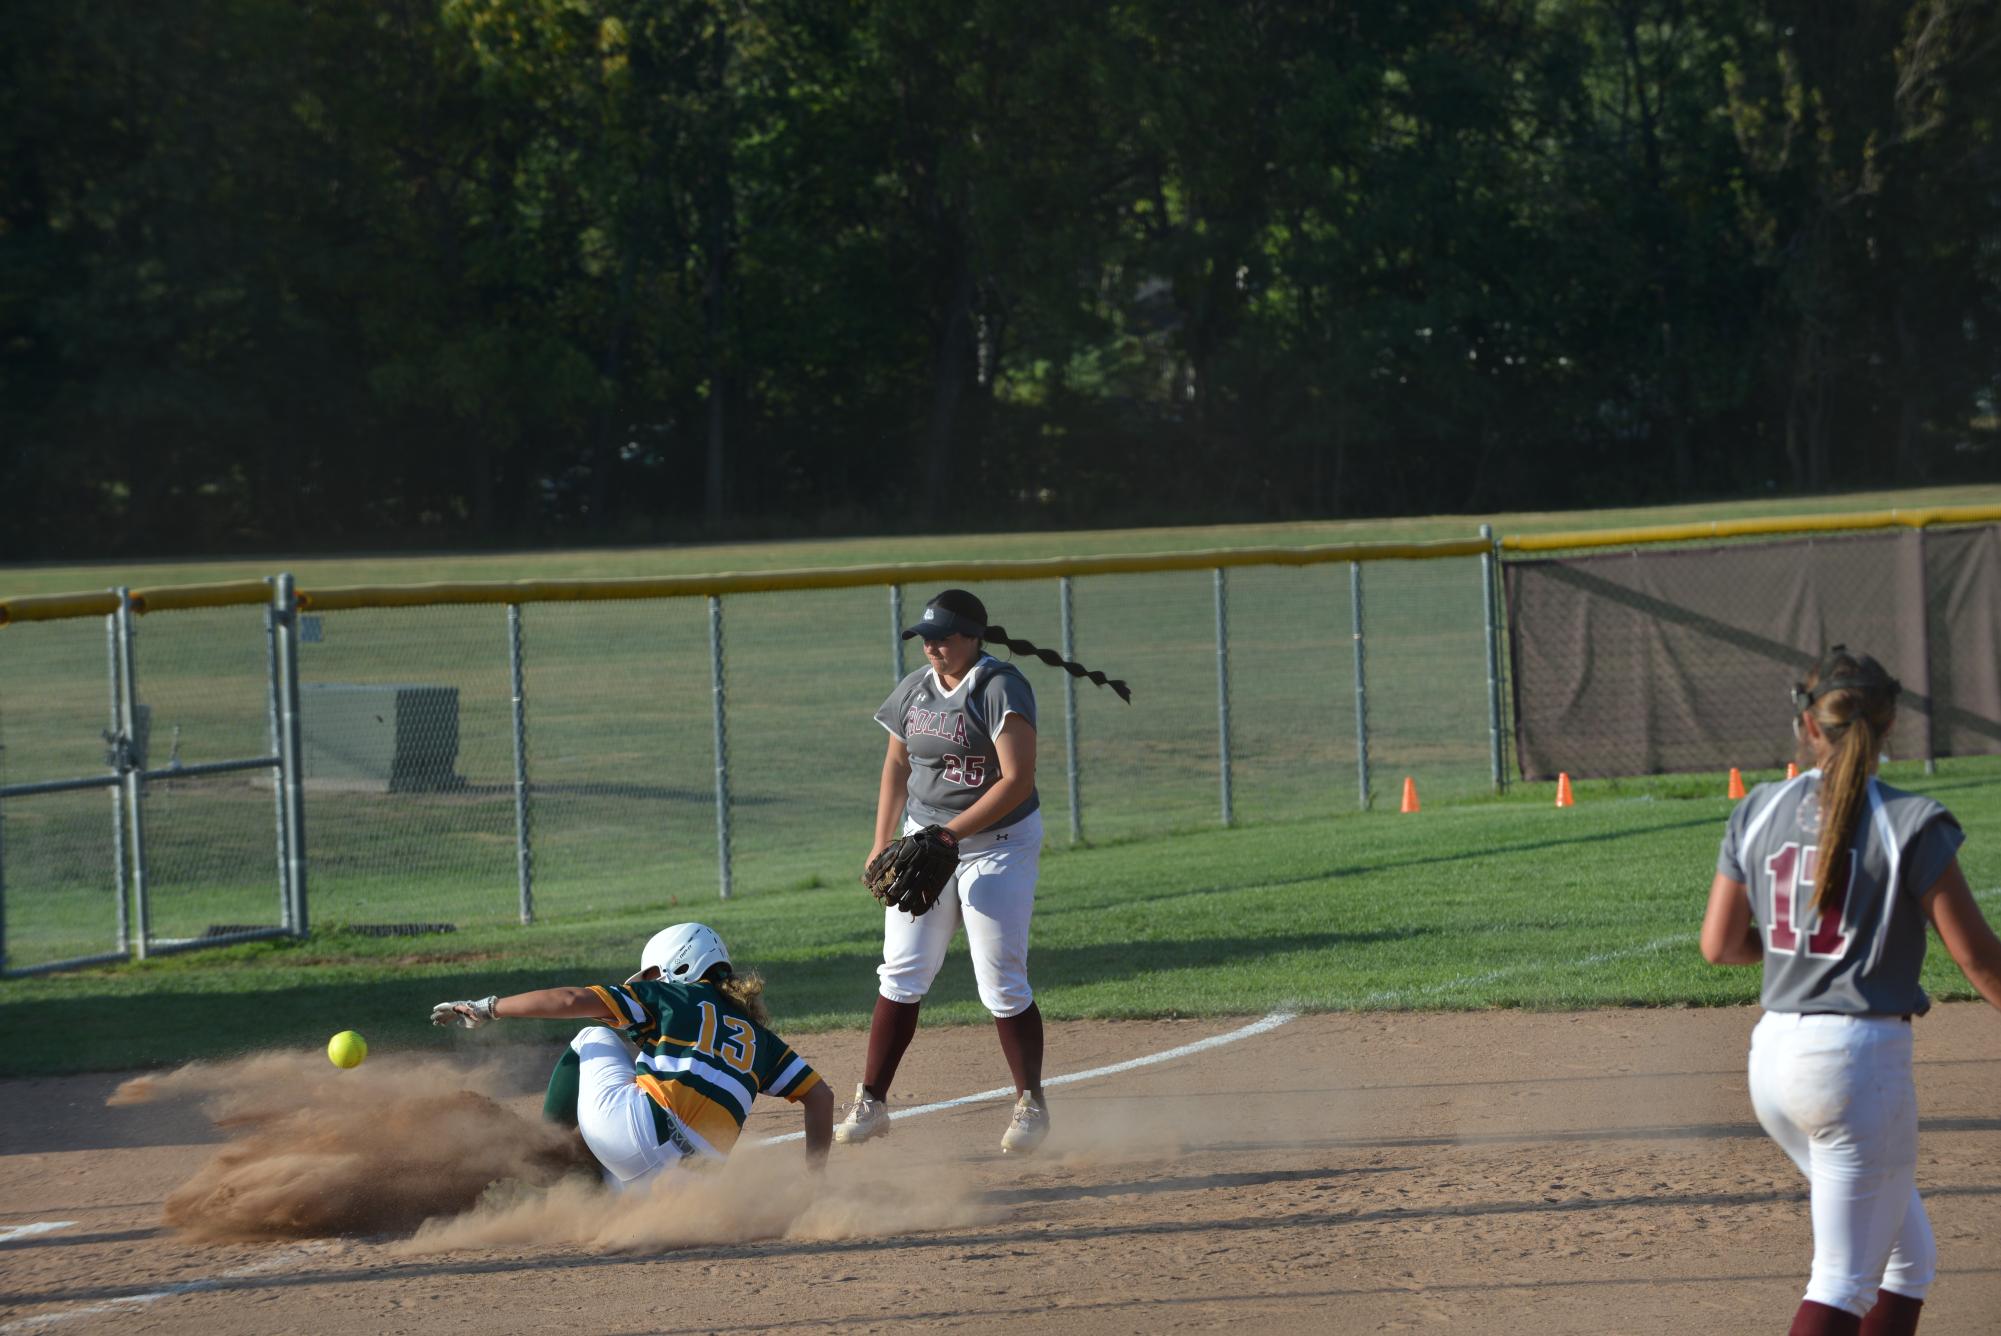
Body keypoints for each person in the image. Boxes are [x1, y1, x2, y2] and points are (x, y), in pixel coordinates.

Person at [1700, 646, 2001, 1336]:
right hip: (1853, 1065)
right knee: (1840, 1282)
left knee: (1906, 1262)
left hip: (1773, 1056)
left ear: (1810, 727)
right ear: (1890, 724)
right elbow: (1980, 960)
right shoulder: (1910, 820)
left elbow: (1720, 946)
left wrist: (1795, 953)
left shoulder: (1758, 806)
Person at [836, 587, 1130, 1155]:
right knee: (901, 969)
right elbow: (897, 763)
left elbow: (1016, 779)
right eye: (925, 638)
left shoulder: (1000, 687)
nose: (932, 648)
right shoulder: (915, 690)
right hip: (926, 841)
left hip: (998, 844)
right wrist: (881, 842)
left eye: (943, 637)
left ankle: (1030, 1103)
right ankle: (871, 1100)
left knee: (999, 976)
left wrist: (951, 833)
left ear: (973, 637)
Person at [431, 922, 833, 1185]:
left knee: (591, 1036)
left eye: (653, 973)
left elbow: (571, 999)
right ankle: (577, 1187)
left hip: (634, 1133)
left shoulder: (673, 993)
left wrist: (489, 1007)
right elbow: (821, 1097)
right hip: (689, 1184)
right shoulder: (761, 1039)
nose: (648, 982)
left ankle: (544, 1159)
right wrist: (815, 1180)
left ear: (681, 965)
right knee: (601, 1189)